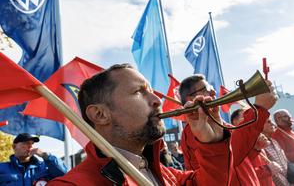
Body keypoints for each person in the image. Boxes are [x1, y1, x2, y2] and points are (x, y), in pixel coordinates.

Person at [47, 63, 232, 185]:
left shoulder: (166, 176)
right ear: (100, 114)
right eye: (139, 92)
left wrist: (213, 143)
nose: (157, 100)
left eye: (151, 91)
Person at [179, 74, 277, 185]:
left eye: (211, 87)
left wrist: (255, 149)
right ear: (191, 99)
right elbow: (229, 157)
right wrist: (259, 108)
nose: (213, 92)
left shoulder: (222, 124)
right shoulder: (193, 131)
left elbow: (240, 161)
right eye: (206, 89)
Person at [0, 133, 67, 186]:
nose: (30, 146)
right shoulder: (2, 168)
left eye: (32, 143)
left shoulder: (44, 167)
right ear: (14, 147)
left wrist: (45, 155)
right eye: (25, 143)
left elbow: (64, 175)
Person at [263, 118, 290, 186]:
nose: (273, 124)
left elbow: (284, 163)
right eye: (268, 122)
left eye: (272, 121)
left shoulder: (274, 141)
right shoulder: (260, 146)